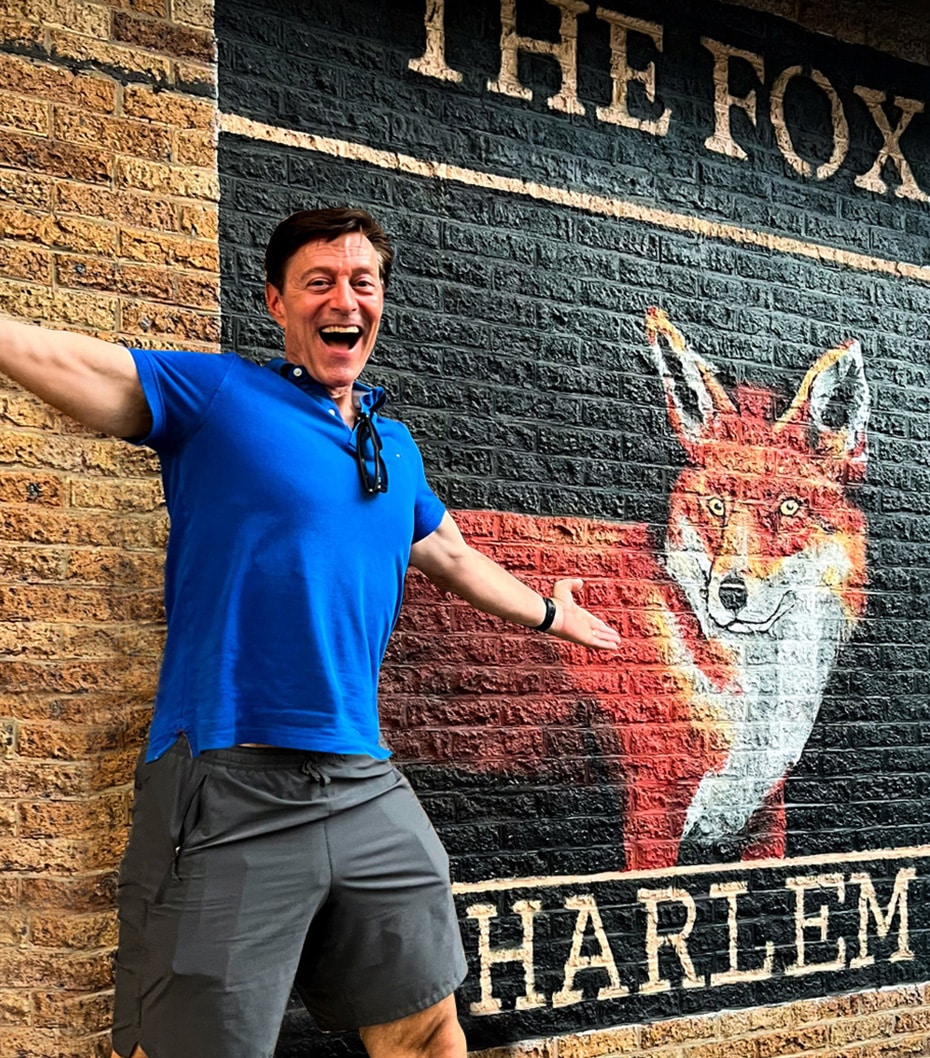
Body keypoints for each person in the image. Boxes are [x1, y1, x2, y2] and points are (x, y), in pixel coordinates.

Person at [0, 207, 619, 1058]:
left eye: (362, 282)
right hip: (231, 779)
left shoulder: (390, 445)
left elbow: (450, 554)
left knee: (428, 1029)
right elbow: (81, 368)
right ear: (278, 304)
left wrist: (551, 614)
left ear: (381, 305)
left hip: (365, 782)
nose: (345, 298)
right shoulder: (219, 398)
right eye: (319, 282)